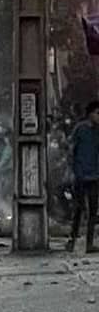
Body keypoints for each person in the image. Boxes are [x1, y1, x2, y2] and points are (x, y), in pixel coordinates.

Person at [68, 100, 99, 253]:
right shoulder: (80, 129)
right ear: (90, 114)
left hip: (95, 175)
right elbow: (71, 150)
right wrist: (73, 170)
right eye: (98, 113)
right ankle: (72, 240)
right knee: (78, 209)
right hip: (80, 175)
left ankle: (89, 244)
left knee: (93, 211)